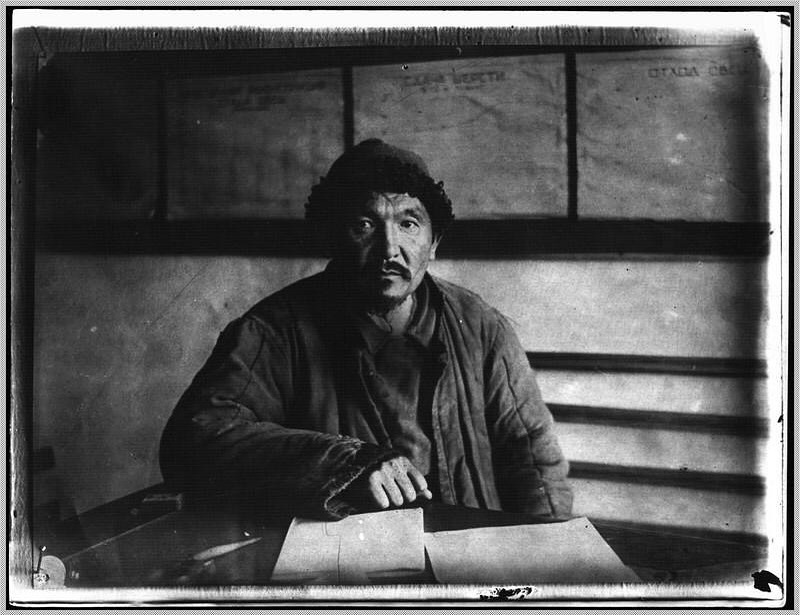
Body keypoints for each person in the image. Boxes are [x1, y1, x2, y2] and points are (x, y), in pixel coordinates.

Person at [160, 139, 573, 521]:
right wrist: (345, 462)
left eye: (408, 224)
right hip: (342, 556)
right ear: (332, 237)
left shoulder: (480, 325)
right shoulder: (274, 331)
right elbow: (194, 441)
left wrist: (548, 550)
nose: (389, 249)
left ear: (434, 242)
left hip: (469, 551)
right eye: (364, 224)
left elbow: (533, 457)